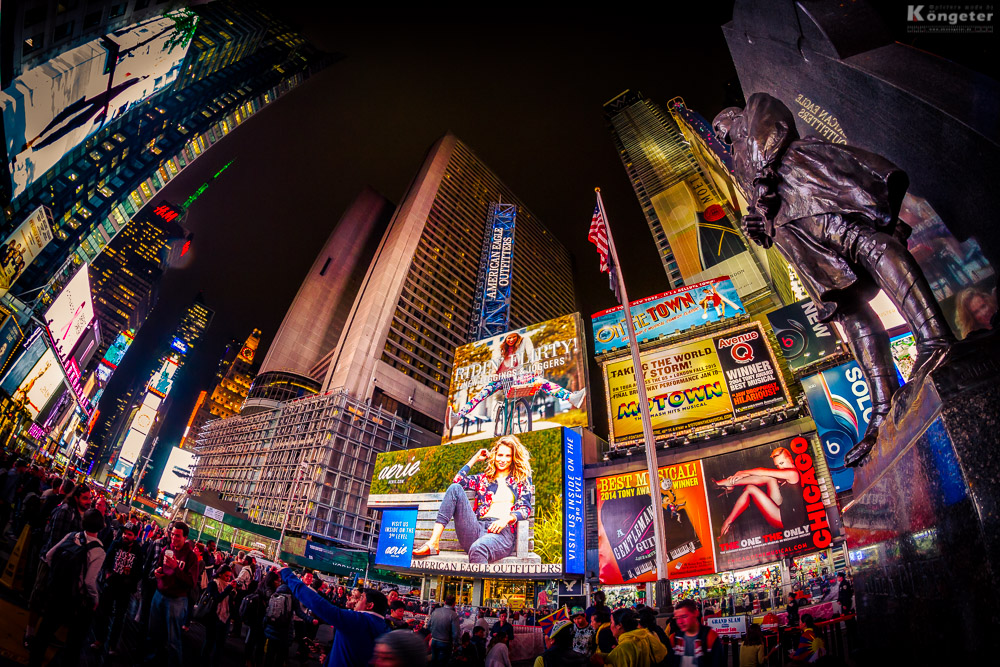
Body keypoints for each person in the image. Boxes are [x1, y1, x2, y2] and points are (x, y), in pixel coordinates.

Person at [713, 93, 956, 466]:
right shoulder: (735, 163)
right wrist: (756, 223)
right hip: (791, 234)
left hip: (811, 191)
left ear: (732, 115)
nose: (721, 134)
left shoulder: (754, 109)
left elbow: (771, 135)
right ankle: (883, 403)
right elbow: (759, 210)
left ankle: (934, 337)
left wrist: (761, 196)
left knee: (863, 243)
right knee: (844, 306)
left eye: (721, 126)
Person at [414, 436, 533, 564]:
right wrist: (474, 459)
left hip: (501, 534)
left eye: (508, 456)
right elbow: (457, 481)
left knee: (478, 549)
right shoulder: (483, 479)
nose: (503, 460)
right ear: (494, 456)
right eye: (500, 455)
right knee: (455, 488)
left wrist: (506, 519)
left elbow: (525, 509)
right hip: (476, 529)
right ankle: (433, 542)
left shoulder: (521, 480)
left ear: (514, 458)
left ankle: (481, 584)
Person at [444, 330, 586, 430]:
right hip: (500, 379)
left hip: (518, 377)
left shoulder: (525, 342)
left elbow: (532, 355)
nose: (510, 340)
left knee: (541, 382)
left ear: (517, 337)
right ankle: (456, 417)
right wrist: (494, 374)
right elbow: (495, 363)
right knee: (480, 395)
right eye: (508, 338)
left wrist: (536, 366)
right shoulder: (499, 349)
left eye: (513, 337)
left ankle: (572, 398)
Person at [28, 508, 106, 667]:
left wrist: (57, 577)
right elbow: (90, 582)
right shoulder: (98, 551)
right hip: (76, 600)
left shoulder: (71, 536)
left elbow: (49, 556)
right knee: (74, 642)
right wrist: (95, 599)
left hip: (56, 590)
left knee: (45, 630)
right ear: (101, 526)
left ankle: (33, 660)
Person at [24, 482, 92, 647]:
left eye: (90, 498)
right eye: (85, 498)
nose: (88, 501)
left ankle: (42, 634)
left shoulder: (80, 514)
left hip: (63, 566)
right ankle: (29, 634)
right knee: (39, 596)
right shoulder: (65, 512)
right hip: (51, 562)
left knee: (51, 602)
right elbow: (56, 541)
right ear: (76, 497)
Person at [280, 566, 388, 666]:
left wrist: (288, 575)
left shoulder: (357, 620)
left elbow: (317, 603)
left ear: (370, 605)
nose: (356, 602)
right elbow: (355, 650)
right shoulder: (386, 629)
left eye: (360, 598)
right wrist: (329, 651)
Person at [713, 446, 804, 536]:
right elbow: (764, 475)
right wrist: (744, 475)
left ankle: (727, 521)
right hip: (783, 509)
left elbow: (763, 471)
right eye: (777, 465)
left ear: (791, 459)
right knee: (769, 478)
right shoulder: (789, 474)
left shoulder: (793, 474)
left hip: (787, 519)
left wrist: (742, 472)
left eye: (782, 463)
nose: (780, 467)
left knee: (750, 488)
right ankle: (729, 484)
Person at [145, 521, 199, 667]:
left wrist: (176, 568)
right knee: (153, 634)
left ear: (185, 537)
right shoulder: (166, 550)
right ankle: (151, 660)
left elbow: (191, 583)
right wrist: (157, 572)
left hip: (177, 600)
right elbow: (159, 568)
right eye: (172, 534)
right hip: (159, 594)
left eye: (177, 536)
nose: (174, 538)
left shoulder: (191, 557)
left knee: (173, 639)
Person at [91, 520, 145, 656]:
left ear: (135, 536)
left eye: (130, 534)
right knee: (103, 614)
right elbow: (107, 559)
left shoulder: (138, 551)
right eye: (125, 533)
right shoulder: (116, 544)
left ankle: (112, 645)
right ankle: (99, 640)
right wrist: (108, 573)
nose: (126, 536)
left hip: (125, 590)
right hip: (111, 585)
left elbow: (139, 571)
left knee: (119, 618)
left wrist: (131, 582)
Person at [594, 608, 666, 667]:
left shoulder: (624, 647)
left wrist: (601, 665)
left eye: (611, 622)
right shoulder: (648, 636)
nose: (610, 626)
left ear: (619, 625)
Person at [665, 599, 723, 667]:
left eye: (684, 616)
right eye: (677, 618)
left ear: (696, 613)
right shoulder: (674, 639)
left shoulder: (710, 637)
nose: (680, 621)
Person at [200, 564, 237, 660]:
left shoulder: (228, 586)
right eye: (226, 576)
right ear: (220, 574)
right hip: (214, 617)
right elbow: (217, 598)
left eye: (229, 576)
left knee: (220, 645)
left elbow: (229, 604)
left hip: (225, 618)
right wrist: (228, 589)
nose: (228, 578)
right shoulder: (213, 584)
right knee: (209, 642)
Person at [428, 594, 462, 666]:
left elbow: (429, 625)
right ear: (454, 604)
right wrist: (456, 644)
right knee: (442, 663)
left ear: (445, 602)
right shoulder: (453, 615)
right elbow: (456, 633)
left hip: (434, 641)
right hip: (445, 643)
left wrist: (433, 634)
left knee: (434, 661)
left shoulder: (435, 611)